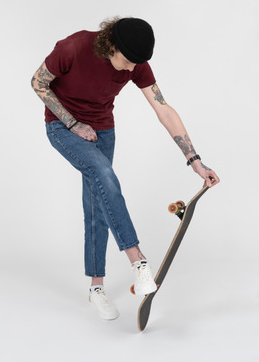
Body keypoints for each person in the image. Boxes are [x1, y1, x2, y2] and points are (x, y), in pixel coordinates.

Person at [31, 17, 220, 321]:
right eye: (128, 62)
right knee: (105, 175)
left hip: (103, 130)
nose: (132, 70)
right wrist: (72, 122)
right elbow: (37, 82)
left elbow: (163, 109)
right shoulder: (73, 48)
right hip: (63, 126)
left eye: (137, 64)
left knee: (97, 202)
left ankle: (95, 288)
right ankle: (138, 262)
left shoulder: (137, 62)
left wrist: (195, 161)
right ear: (112, 47)